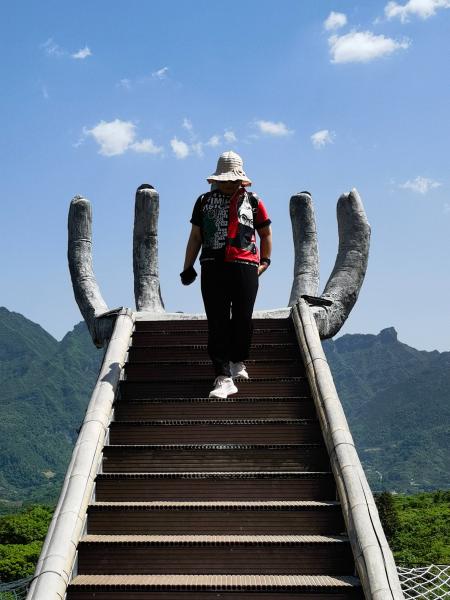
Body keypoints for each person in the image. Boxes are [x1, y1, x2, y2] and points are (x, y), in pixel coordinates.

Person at [180, 151, 272, 398]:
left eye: (233, 179)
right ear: (217, 179)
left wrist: (265, 261)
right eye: (225, 179)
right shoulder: (203, 201)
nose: (229, 183)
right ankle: (223, 377)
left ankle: (238, 360)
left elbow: (265, 233)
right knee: (217, 320)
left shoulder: (254, 201)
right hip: (212, 265)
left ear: (241, 179)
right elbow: (196, 237)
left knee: (243, 317)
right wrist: (187, 267)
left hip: (246, 265)